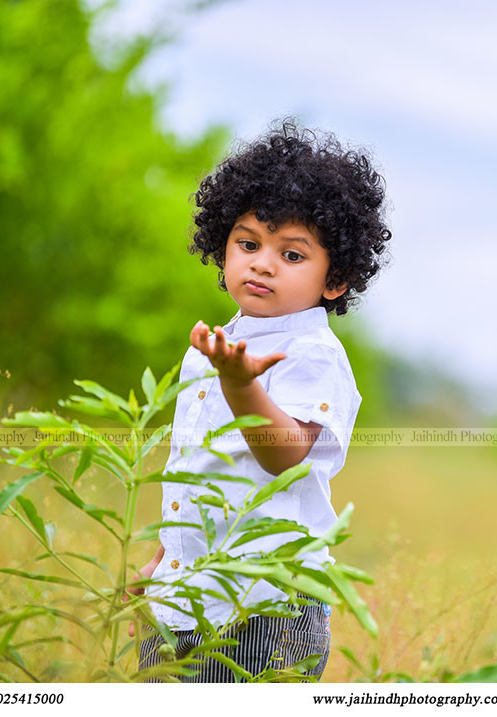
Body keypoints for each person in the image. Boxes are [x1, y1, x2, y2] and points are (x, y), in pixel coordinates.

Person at [131, 118, 391, 683]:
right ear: (221, 247)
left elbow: (283, 455)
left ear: (336, 279)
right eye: (248, 244)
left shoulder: (311, 353)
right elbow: (196, 470)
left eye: (292, 254)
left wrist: (240, 383)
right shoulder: (220, 343)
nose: (263, 263)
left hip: (265, 605)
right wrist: (164, 561)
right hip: (188, 596)